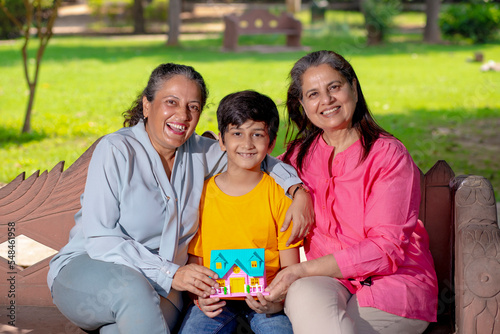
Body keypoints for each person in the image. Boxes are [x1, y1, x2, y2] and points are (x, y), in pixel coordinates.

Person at [47, 63, 313, 334]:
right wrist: (172, 273)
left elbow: (257, 157)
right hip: (93, 273)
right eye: (171, 102)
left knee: (122, 327)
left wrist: (297, 191)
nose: (183, 115)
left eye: (193, 107)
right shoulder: (117, 150)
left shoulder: (201, 152)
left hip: (165, 290)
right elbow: (101, 240)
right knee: (132, 292)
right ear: (147, 105)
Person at [265, 50, 438, 334]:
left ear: (353, 89)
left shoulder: (387, 155)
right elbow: (252, 162)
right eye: (313, 94)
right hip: (324, 279)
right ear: (302, 105)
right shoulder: (297, 157)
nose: (327, 100)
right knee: (308, 302)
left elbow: (386, 249)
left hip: (394, 284)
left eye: (334, 87)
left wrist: (299, 270)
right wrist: (299, 191)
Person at [178, 90, 302, 334]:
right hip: (215, 301)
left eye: (257, 134)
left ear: (271, 142)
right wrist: (198, 297)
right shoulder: (202, 195)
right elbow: (196, 262)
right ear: (222, 141)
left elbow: (290, 267)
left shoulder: (279, 196)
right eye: (237, 133)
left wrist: (276, 300)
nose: (247, 144)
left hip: (267, 299)